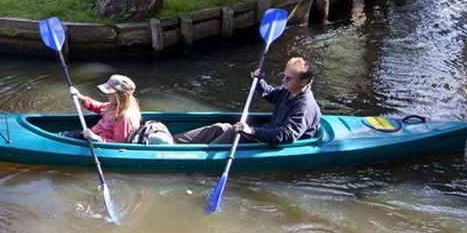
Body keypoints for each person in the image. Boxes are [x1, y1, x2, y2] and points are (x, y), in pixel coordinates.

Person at [174, 57, 321, 145]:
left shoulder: (304, 106)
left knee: (233, 132)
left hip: (273, 142)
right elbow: (271, 94)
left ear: (304, 81)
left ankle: (201, 156)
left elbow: (286, 136)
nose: (283, 80)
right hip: (267, 132)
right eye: (284, 76)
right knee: (219, 128)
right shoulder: (288, 90)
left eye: (289, 78)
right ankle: (170, 142)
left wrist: (252, 131)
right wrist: (259, 81)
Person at [64, 75, 141, 144]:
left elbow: (119, 143)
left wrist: (96, 138)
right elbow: (99, 107)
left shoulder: (124, 118)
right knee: (63, 135)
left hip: (97, 142)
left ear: (121, 96)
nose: (107, 94)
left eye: (110, 93)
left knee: (63, 140)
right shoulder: (114, 105)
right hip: (93, 133)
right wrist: (81, 98)